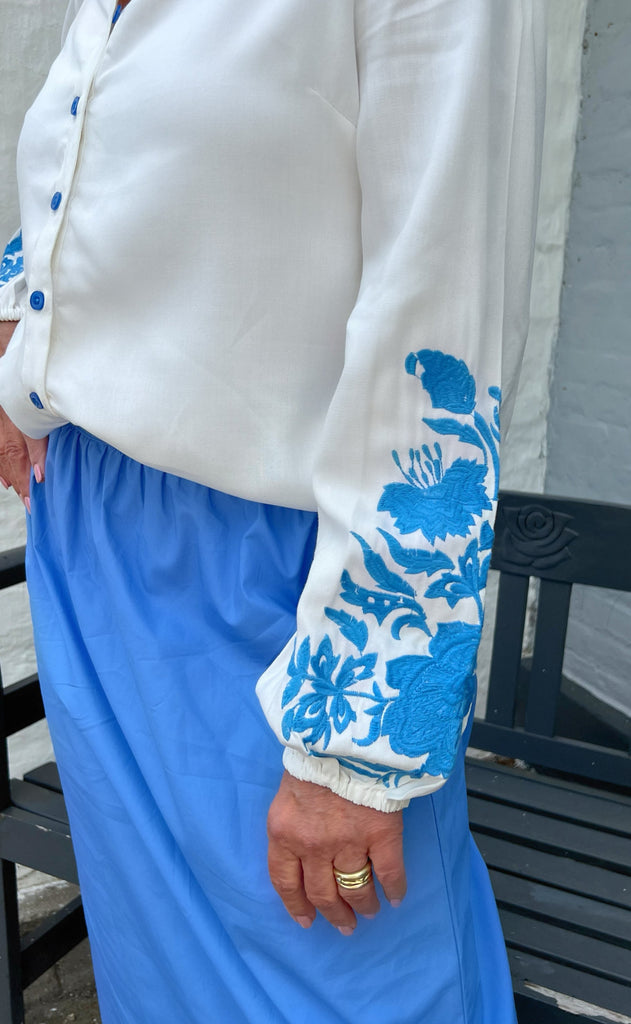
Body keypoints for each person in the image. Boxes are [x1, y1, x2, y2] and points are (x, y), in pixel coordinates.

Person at [0, 0, 547, 1021]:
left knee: (339, 978)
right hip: (91, 543)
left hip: (284, 590)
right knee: (154, 976)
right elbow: (98, 162)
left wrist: (358, 740)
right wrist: (22, 333)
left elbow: (442, 300)